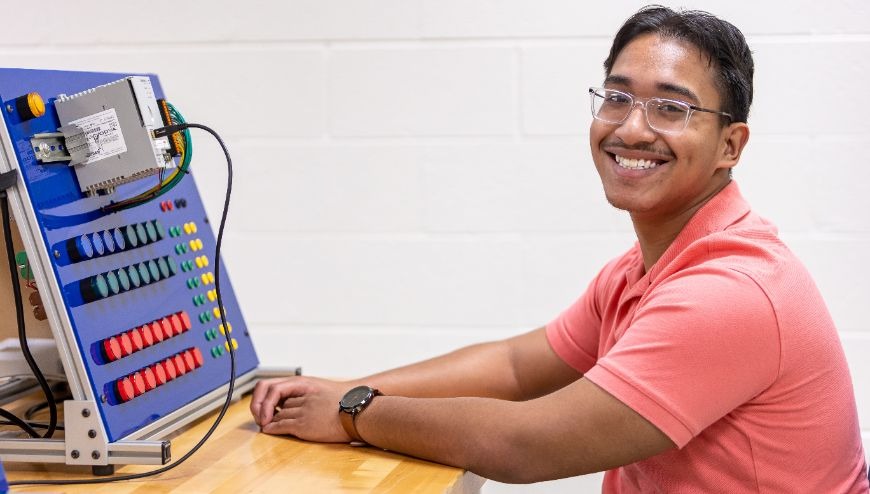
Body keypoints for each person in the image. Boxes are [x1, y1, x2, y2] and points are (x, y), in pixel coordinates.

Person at [250, 5, 869, 492]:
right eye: (618, 96)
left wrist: (357, 410)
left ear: (731, 145)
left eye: (672, 108)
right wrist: (343, 389)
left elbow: (527, 445)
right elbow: (519, 367)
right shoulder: (647, 268)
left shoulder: (729, 292)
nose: (631, 127)